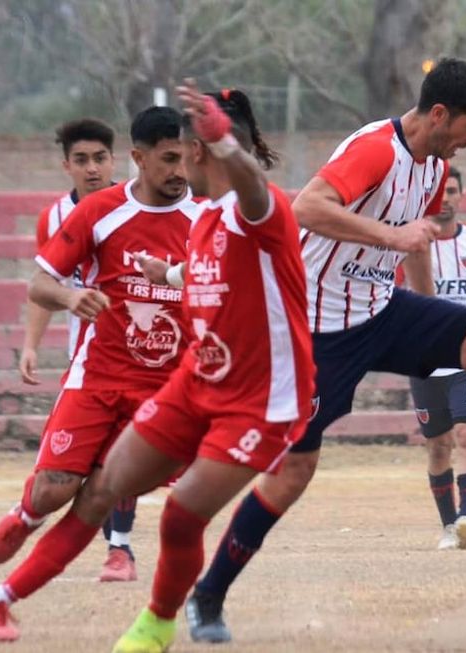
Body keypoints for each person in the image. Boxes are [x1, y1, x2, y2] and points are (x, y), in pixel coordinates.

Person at [188, 57, 466, 642]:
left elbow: (417, 243)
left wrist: (436, 328)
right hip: (318, 330)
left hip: (384, 310)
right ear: (441, 114)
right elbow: (307, 207)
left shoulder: (434, 164)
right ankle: (208, 595)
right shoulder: (377, 147)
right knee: (293, 472)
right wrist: (391, 237)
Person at [84, 82, 312, 653]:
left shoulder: (256, 203)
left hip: (264, 394)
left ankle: (178, 611)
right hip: (211, 381)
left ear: (201, 148)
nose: (183, 154)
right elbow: (212, 272)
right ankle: (177, 596)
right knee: (132, 485)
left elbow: (256, 192)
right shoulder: (208, 215)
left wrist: (227, 144)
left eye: (191, 143)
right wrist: (168, 277)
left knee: (188, 506)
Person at [0, 105, 203, 642]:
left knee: (100, 499)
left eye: (185, 159)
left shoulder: (206, 220)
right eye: (167, 160)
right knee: (55, 489)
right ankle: (26, 515)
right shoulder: (99, 212)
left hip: (164, 395)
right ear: (139, 159)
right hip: (96, 379)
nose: (178, 172)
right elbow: (39, 284)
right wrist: (73, 295)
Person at [18, 117, 141, 581]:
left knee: (121, 458)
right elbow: (45, 284)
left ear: (117, 160)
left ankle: (120, 549)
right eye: (82, 160)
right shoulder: (53, 218)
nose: (92, 169)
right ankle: (32, 518)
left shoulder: (138, 204)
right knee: (71, 466)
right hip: (86, 359)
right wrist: (31, 346)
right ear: (66, 165)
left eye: (101, 159)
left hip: (139, 356)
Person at [399, 166, 466, 550]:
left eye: (453, 191)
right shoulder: (408, 245)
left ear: (462, 197)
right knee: (438, 446)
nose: (446, 198)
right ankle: (450, 526)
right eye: (440, 192)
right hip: (426, 360)